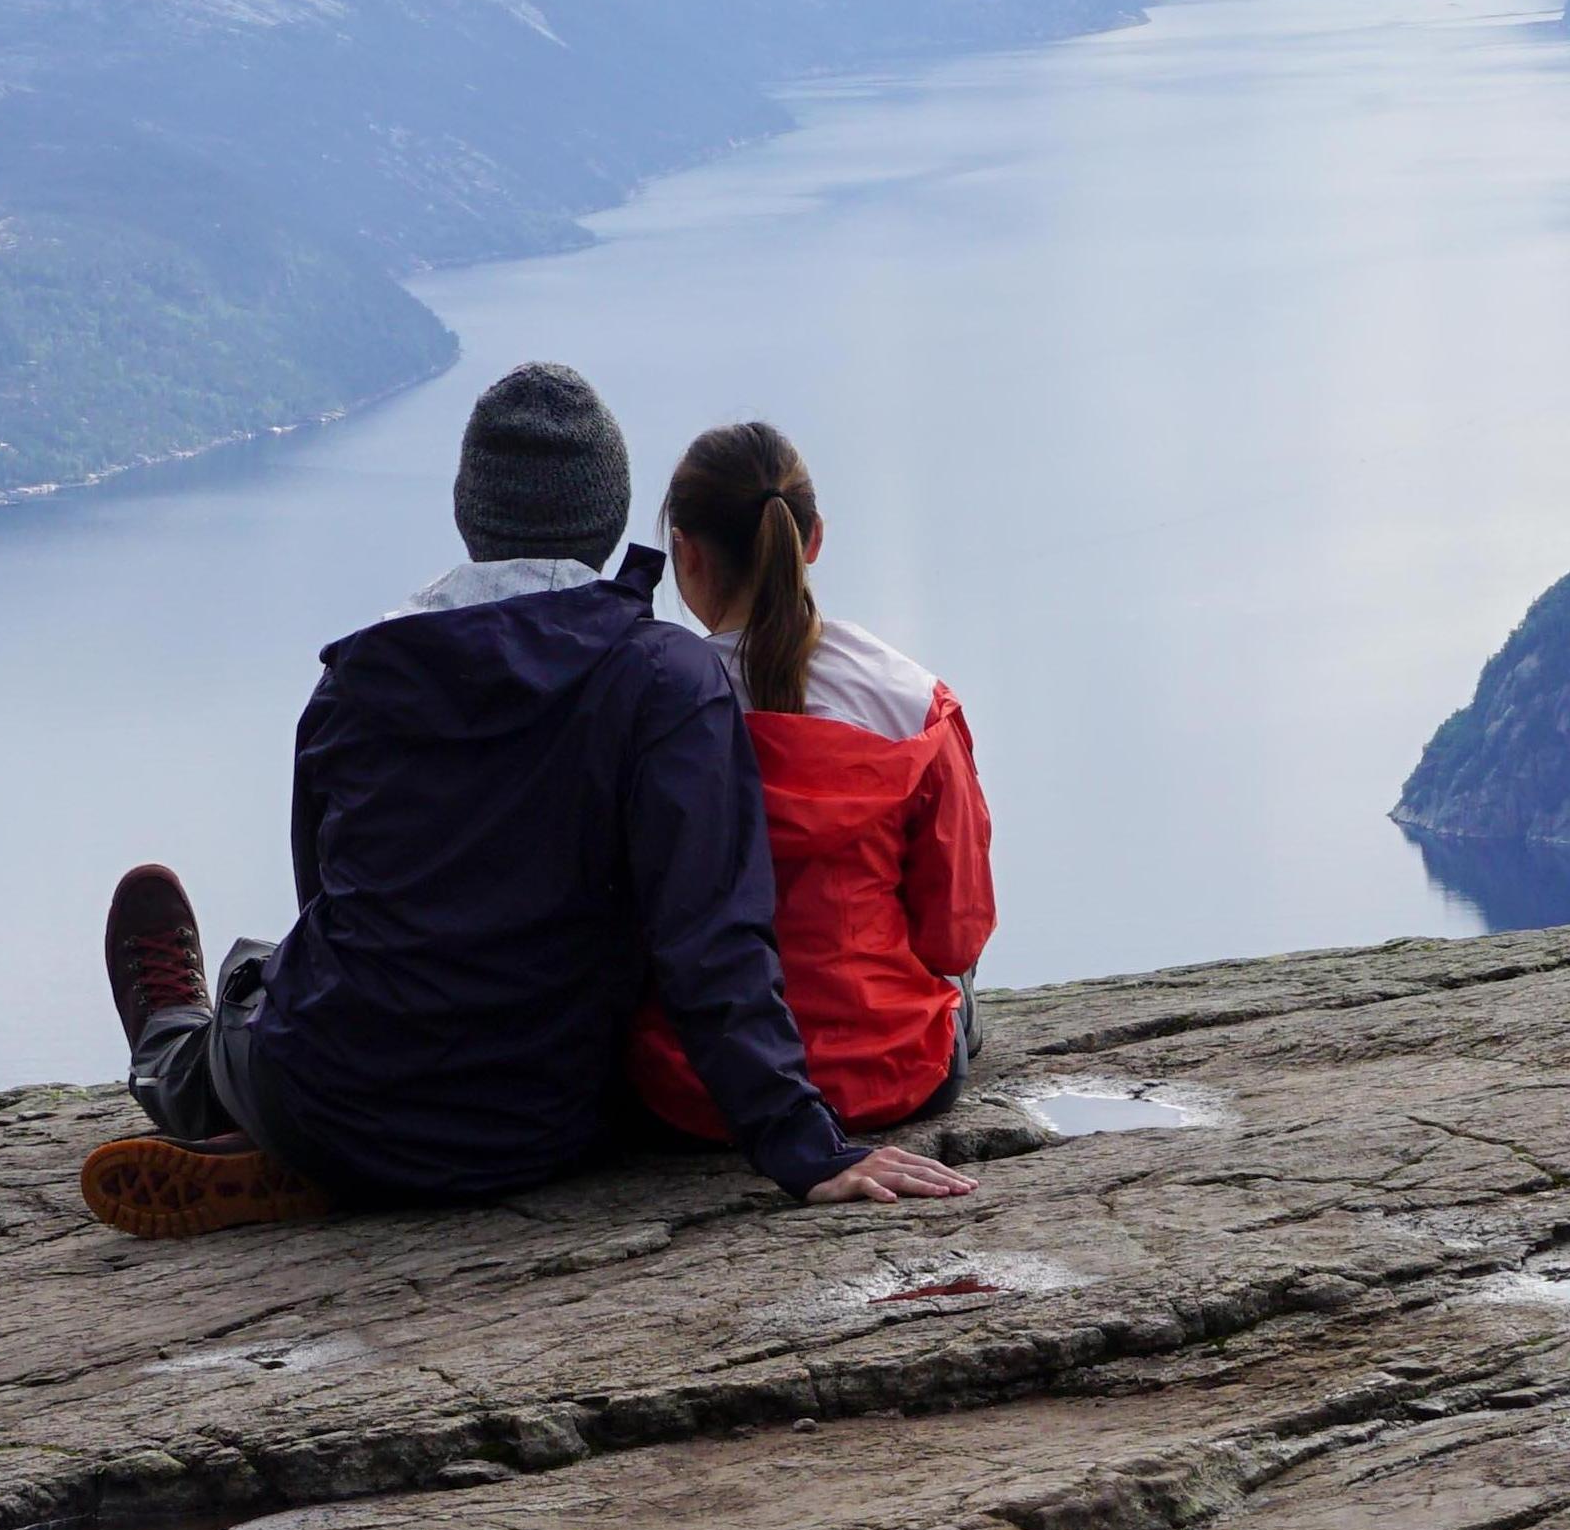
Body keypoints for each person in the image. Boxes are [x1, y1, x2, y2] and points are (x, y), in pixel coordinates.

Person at [82, 361, 982, 1238]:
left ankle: (178, 1043)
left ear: (468, 513)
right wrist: (805, 1146)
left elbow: (327, 898)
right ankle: (301, 1134)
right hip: (543, 1122)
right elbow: (711, 940)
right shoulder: (664, 678)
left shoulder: (357, 677)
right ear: (611, 515)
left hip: (334, 1088)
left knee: (252, 1000)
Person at [627, 421, 995, 1145]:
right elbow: (955, 932)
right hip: (893, 1070)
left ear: (685, 554)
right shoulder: (913, 704)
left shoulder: (648, 708)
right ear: (813, 539)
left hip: (695, 1086)